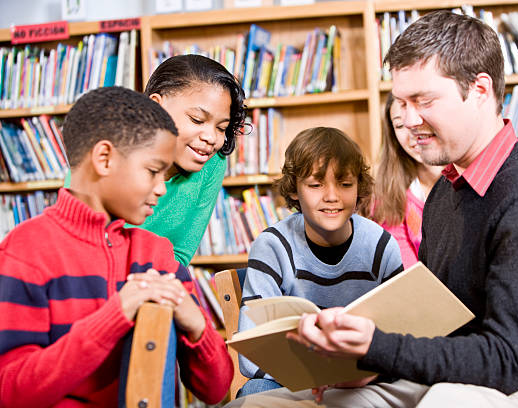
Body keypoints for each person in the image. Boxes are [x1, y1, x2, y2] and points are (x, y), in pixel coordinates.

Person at [226, 10, 518, 408]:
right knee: (259, 404)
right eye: (400, 103)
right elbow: (437, 329)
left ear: (479, 90)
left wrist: (377, 349)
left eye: (423, 100)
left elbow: (507, 360)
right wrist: (371, 365)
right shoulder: (446, 193)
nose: (406, 120)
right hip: (452, 373)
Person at [0, 87, 233, 407]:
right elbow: (10, 392)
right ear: (104, 158)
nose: (162, 189)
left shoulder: (158, 256)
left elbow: (217, 389)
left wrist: (196, 325)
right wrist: (115, 316)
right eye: (153, 172)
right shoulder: (26, 251)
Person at [235, 127, 404, 397]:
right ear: (294, 191)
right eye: (316, 185)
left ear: (359, 188)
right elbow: (251, 354)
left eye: (345, 184)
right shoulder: (272, 246)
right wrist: (316, 376)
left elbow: (402, 339)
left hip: (364, 381)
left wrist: (357, 375)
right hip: (291, 382)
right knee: (255, 391)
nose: (332, 196)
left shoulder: (380, 245)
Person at [65, 54, 247, 266]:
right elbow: (78, 247)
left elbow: (179, 257)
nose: (211, 138)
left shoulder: (213, 161)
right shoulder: (104, 151)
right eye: (197, 120)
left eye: (221, 128)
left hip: (154, 284)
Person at [369, 93, 443, 267]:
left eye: (419, 119)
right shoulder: (389, 195)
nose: (412, 134)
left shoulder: (472, 181)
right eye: (400, 125)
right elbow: (407, 276)